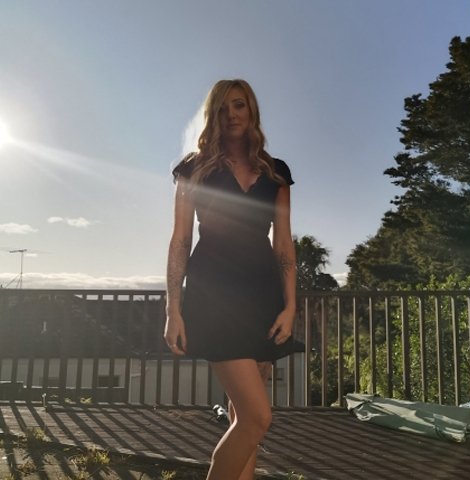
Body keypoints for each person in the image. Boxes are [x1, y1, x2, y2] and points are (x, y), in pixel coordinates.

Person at [164, 79, 296, 480]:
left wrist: (290, 306)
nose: (231, 115)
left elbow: (284, 244)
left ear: (251, 110)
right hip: (214, 296)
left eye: (238, 105)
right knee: (257, 418)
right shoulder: (194, 169)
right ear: (213, 116)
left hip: (262, 297)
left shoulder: (275, 173)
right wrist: (173, 308)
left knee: (244, 418)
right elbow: (181, 240)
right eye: (222, 109)